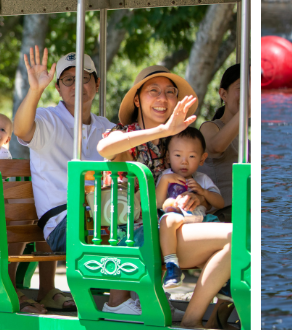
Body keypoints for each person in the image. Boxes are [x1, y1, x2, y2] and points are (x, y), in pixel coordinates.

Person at [96, 65, 235, 328]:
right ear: (137, 99)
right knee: (238, 237)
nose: (163, 98)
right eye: (153, 91)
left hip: (171, 227)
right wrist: (162, 131)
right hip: (139, 235)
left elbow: (189, 185)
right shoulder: (125, 133)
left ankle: (195, 317)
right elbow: (104, 147)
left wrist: (198, 198)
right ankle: (192, 318)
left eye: (170, 92)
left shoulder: (177, 141)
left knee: (238, 242)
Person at [12, 46, 119, 310]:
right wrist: (35, 90)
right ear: (58, 88)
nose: (77, 85)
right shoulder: (47, 119)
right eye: (68, 80)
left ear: (96, 83)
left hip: (101, 216)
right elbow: (22, 130)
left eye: (84, 78)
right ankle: (120, 301)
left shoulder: (107, 128)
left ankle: (134, 297)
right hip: (63, 224)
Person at [157, 127, 225, 290]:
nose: (184, 161)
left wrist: (203, 193)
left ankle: (223, 280)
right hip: (177, 220)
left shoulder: (203, 179)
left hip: (199, 221)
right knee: (167, 220)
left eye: (192, 156)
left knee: (219, 228)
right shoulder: (166, 176)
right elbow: (157, 204)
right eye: (178, 155)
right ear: (168, 156)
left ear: (202, 159)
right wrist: (167, 187)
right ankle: (172, 265)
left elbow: (219, 202)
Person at [197, 64, 243, 215]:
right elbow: (216, 146)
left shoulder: (245, 139)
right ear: (223, 94)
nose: (248, 94)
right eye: (242, 88)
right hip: (223, 213)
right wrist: (246, 110)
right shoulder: (210, 127)